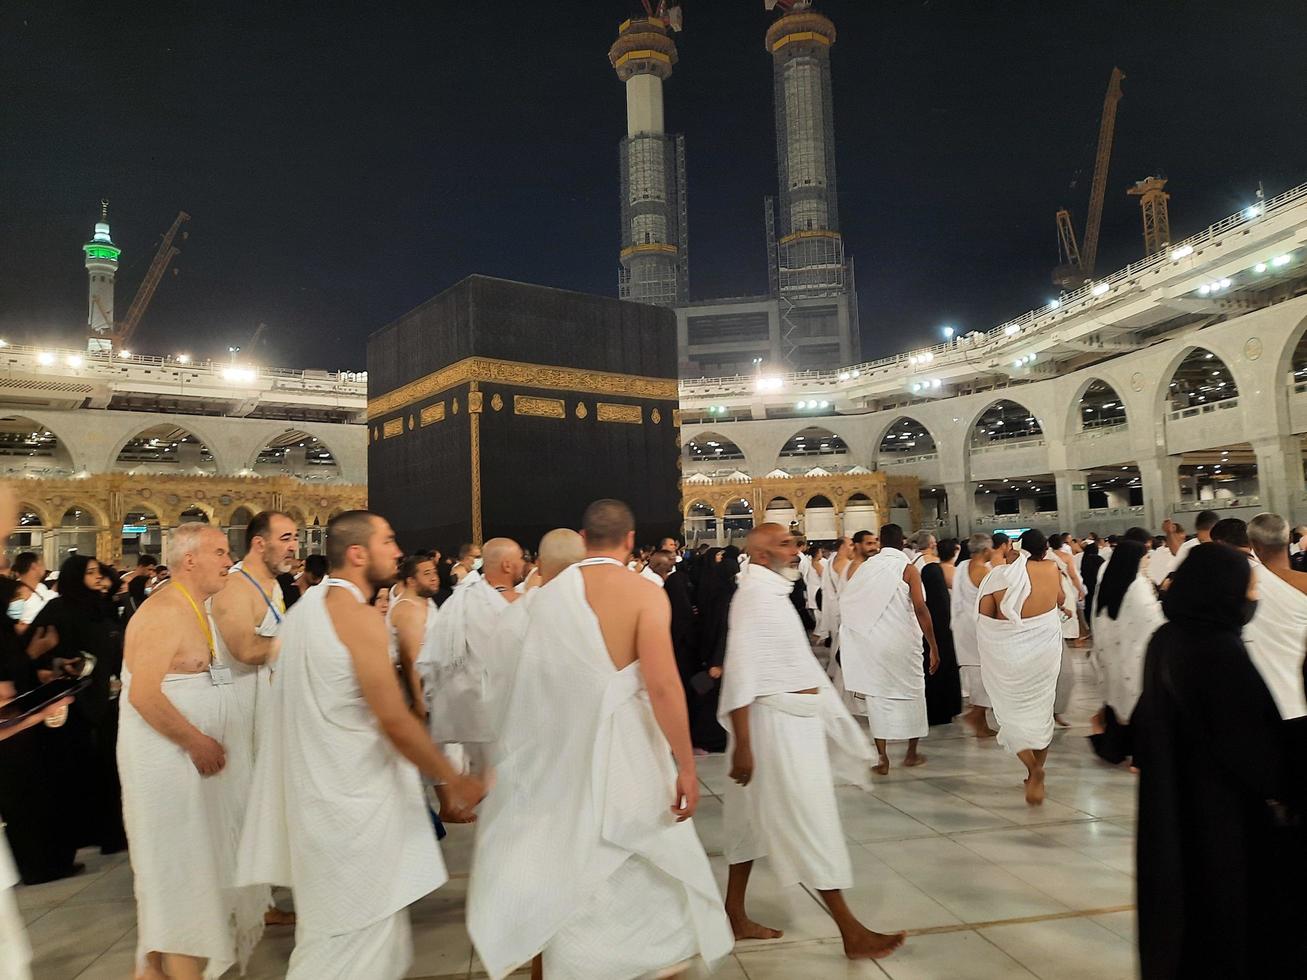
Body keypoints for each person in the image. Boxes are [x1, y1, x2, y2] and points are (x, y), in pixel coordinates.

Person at [467, 500, 733, 979]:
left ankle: (571, 963)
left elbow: (509, 681)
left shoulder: (541, 599)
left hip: (559, 757)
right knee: (642, 859)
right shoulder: (644, 594)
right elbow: (663, 685)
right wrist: (686, 767)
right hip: (629, 754)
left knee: (569, 857)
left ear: (584, 540)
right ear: (631, 541)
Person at [238, 511, 483, 979]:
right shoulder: (358, 619)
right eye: (387, 541)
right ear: (357, 553)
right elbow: (393, 716)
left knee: (339, 938)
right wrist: (453, 778)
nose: (396, 551)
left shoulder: (305, 610)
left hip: (318, 800)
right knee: (353, 947)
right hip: (353, 807)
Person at [718, 523, 904, 960]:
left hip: (788, 722)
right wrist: (744, 744)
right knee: (809, 820)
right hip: (772, 728)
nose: (795, 549)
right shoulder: (754, 598)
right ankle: (850, 930)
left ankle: (734, 913)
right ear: (762, 556)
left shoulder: (772, 593)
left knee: (747, 823)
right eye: (785, 544)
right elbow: (742, 669)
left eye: (794, 542)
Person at [1132, 542, 1300, 978]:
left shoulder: (1166, 640)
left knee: (1183, 916)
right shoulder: (1217, 652)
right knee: (1227, 922)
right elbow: (1253, 751)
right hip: (1221, 817)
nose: (1252, 599)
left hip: (1175, 809)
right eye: (1250, 589)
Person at [118, 522, 268, 980]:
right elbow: (143, 695)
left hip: (194, 773)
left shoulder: (198, 608)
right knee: (181, 885)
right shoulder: (163, 611)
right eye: (221, 553)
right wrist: (196, 741)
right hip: (170, 771)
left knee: (195, 880)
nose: (229, 561)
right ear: (189, 561)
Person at [28, 554, 128, 856]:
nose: (98, 578)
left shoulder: (101, 608)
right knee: (78, 771)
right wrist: (59, 663)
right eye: (90, 573)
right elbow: (33, 652)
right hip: (73, 705)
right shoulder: (58, 609)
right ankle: (81, 834)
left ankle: (111, 834)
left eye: (99, 572)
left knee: (110, 770)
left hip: (107, 700)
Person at [423, 537, 524, 794]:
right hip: (506, 706)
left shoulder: (462, 602)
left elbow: (436, 655)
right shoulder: (522, 603)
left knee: (491, 779)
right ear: (508, 565)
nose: (524, 564)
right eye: (520, 559)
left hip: (474, 706)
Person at [840, 524, 939, 774]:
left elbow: (849, 604)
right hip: (902, 643)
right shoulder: (908, 569)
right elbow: (920, 608)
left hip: (873, 644)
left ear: (881, 542)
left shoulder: (866, 569)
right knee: (913, 693)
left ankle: (882, 758)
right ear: (902, 543)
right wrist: (933, 645)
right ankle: (911, 753)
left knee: (878, 697)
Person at [976, 529, 1065, 805]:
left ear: (1018, 547)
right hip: (1044, 653)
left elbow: (985, 616)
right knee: (1041, 710)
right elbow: (1060, 600)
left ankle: (1033, 769)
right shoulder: (1053, 568)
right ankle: (1037, 770)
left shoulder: (1000, 576)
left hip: (1010, 657)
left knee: (1011, 715)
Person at [1244, 513, 1307, 799]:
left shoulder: (1245, 587)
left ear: (1253, 544)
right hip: (1302, 700)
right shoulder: (1304, 584)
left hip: (1261, 703)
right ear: (1288, 540)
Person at [1088, 540, 1163, 765]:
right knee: (1142, 708)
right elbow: (1153, 620)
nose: (1148, 560)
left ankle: (1114, 749)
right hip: (1136, 656)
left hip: (1113, 656)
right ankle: (1140, 759)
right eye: (1146, 556)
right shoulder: (1137, 585)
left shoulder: (1110, 581)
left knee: (1118, 703)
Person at [953, 533, 997, 737]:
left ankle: (980, 721)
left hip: (963, 625)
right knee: (986, 674)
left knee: (978, 674)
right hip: (978, 627)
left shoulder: (962, 566)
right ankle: (976, 713)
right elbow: (995, 599)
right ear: (986, 550)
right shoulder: (982, 571)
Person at [389, 553, 441, 719]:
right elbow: (411, 660)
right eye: (427, 574)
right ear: (411, 580)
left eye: (434, 572)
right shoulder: (408, 609)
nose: (434, 578)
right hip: (416, 700)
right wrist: (419, 703)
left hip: (433, 694)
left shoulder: (425, 601)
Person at [918, 538, 961, 726]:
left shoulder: (929, 598)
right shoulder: (942, 593)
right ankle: (947, 708)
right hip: (945, 633)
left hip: (932, 634)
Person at [12, 553, 51, 636]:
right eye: (42, 564)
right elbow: (16, 627)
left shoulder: (41, 587)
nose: (44, 567)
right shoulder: (19, 593)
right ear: (34, 566)